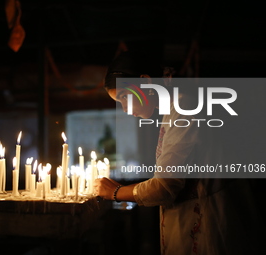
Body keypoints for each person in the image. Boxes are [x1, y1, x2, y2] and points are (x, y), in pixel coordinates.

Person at [94, 50, 265, 254]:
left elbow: (165, 186)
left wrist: (114, 193)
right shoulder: (174, 107)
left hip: (208, 223)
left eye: (124, 97)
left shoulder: (184, 105)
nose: (124, 108)